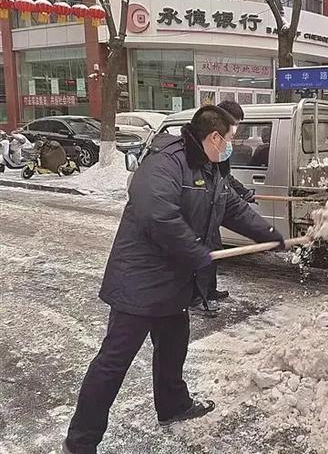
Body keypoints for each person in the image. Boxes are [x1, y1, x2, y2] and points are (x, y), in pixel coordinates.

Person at [62, 106, 284, 454]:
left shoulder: (209, 169)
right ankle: (80, 442)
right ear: (214, 137)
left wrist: (270, 234)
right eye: (230, 139)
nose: (230, 146)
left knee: (173, 349)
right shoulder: (166, 162)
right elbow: (157, 214)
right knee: (113, 362)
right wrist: (195, 252)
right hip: (139, 281)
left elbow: (231, 208)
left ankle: (173, 406)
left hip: (173, 282)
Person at [190, 100, 257, 317]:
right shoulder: (203, 145)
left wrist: (243, 192)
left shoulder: (221, 148)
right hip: (199, 213)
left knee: (215, 253)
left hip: (212, 212)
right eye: (234, 124)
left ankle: (209, 290)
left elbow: (224, 179)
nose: (235, 131)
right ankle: (197, 298)